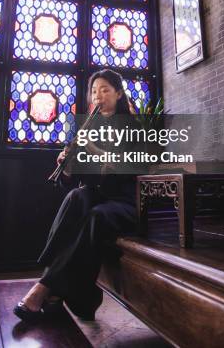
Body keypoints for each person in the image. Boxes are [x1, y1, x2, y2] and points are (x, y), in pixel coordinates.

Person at [13, 69, 140, 323]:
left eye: (105, 90)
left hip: (126, 202)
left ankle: (46, 288)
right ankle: (60, 293)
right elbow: (88, 180)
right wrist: (69, 165)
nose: (98, 96)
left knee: (96, 215)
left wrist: (91, 148)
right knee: (75, 197)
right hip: (101, 195)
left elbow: (116, 171)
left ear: (119, 93)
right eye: (94, 91)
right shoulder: (91, 125)